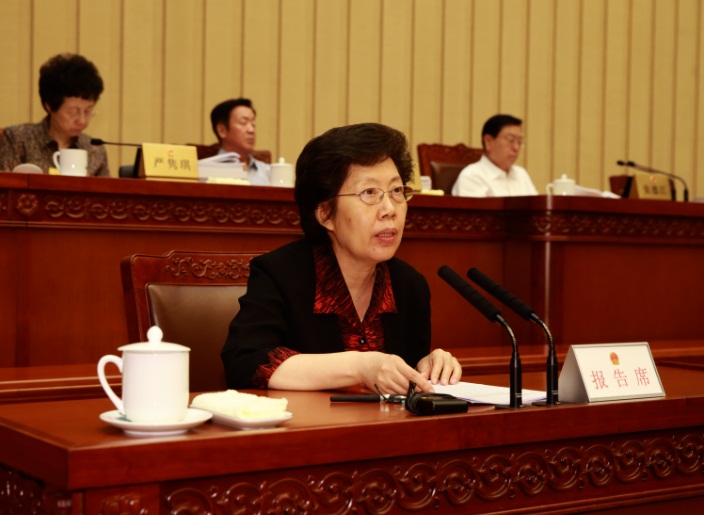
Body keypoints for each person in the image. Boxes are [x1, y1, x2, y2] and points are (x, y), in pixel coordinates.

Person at [221, 122, 462, 394]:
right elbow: (246, 363)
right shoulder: (280, 274)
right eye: (369, 193)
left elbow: (402, 384)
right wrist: (360, 366)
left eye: (396, 191)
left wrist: (425, 367)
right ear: (325, 214)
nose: (389, 209)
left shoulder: (409, 285)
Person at [0, 53, 109, 176]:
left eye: (88, 111)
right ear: (49, 106)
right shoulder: (18, 139)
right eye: (73, 112)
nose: (82, 120)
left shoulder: (94, 150)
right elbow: (6, 184)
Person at [451, 114, 537, 197]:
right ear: (488, 141)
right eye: (511, 140)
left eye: (519, 142)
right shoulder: (472, 176)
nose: (516, 148)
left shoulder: (521, 174)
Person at [210, 98, 270, 185]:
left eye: (253, 125)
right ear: (222, 130)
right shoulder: (206, 171)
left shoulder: (268, 172)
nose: (251, 130)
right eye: (243, 123)